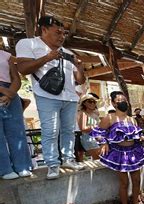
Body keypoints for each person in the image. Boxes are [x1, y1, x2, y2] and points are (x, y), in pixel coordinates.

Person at [16, 16, 85, 179]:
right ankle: (52, 165)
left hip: (70, 97)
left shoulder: (68, 53)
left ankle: (68, 159)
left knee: (69, 131)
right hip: (46, 95)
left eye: (64, 33)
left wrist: (79, 66)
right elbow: (23, 68)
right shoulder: (28, 44)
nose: (62, 36)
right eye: (58, 32)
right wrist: (47, 57)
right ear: (44, 29)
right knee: (50, 131)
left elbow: (80, 80)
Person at [91, 98, 144, 204]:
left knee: (136, 180)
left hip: (133, 153)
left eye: (124, 100)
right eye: (119, 100)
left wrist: (141, 137)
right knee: (124, 182)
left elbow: (134, 134)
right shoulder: (109, 118)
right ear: (114, 103)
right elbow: (98, 132)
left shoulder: (132, 119)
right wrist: (103, 143)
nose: (123, 102)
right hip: (119, 154)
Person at [0, 50, 32, 179]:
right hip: (7, 91)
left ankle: (22, 166)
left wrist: (10, 93)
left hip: (10, 91)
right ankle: (4, 169)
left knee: (17, 131)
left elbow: (16, 78)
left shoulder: (5, 55)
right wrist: (5, 91)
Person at [77, 93, 100, 160]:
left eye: (94, 102)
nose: (92, 103)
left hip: (97, 137)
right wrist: (95, 127)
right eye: (89, 101)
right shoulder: (83, 113)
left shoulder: (95, 114)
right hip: (88, 138)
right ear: (84, 103)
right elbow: (83, 128)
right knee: (98, 158)